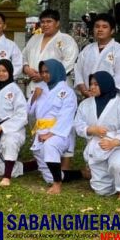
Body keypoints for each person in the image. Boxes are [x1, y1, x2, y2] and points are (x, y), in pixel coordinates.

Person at [75, 71, 120, 201]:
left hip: (119, 146)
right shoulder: (85, 104)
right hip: (97, 146)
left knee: (118, 164)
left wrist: (114, 142)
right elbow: (78, 125)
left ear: (105, 84)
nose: (92, 87)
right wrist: (91, 129)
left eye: (96, 84)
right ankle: (113, 180)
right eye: (91, 84)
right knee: (101, 191)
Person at [28, 59, 79, 195]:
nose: (44, 75)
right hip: (41, 131)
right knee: (48, 176)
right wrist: (34, 98)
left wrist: (50, 134)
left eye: (47, 72)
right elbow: (30, 111)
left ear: (56, 71)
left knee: (49, 146)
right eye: (42, 72)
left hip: (60, 133)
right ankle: (79, 174)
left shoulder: (67, 92)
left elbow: (66, 116)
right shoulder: (40, 89)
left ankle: (57, 184)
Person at [0, 59, 28, 186]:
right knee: (0, 170)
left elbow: (22, 115)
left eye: (4, 71)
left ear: (10, 72)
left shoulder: (15, 90)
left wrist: (2, 127)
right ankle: (33, 165)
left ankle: (7, 177)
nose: (1, 73)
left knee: (10, 142)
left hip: (12, 129)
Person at [22, 9, 79, 97]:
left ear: (57, 23)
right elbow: (23, 57)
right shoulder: (35, 38)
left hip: (57, 86)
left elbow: (69, 62)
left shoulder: (66, 39)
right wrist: (27, 69)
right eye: (42, 22)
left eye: (49, 21)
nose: (45, 25)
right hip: (34, 85)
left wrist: (45, 75)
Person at [74, 13, 120, 97]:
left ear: (112, 30)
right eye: (97, 27)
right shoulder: (87, 49)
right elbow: (78, 71)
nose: (100, 29)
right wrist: (85, 91)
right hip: (88, 96)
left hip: (111, 98)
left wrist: (99, 93)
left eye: (104, 27)